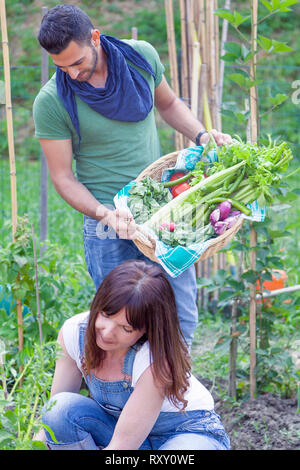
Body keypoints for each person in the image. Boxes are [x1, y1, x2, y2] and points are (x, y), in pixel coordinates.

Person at [33, 4, 233, 348]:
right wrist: (106, 214)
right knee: (120, 330)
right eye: (61, 67)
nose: (72, 74)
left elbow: (168, 104)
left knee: (180, 318)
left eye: (77, 62)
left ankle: (173, 397)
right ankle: (125, 399)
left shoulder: (139, 58)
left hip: (163, 215)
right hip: (107, 226)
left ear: (95, 38)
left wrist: (202, 136)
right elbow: (63, 178)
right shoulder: (52, 101)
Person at [36, 260, 230, 450]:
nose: (107, 332)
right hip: (122, 429)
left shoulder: (154, 360)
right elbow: (51, 419)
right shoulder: (75, 333)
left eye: (126, 328)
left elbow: (122, 447)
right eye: (105, 314)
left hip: (186, 432)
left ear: (147, 330)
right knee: (59, 409)